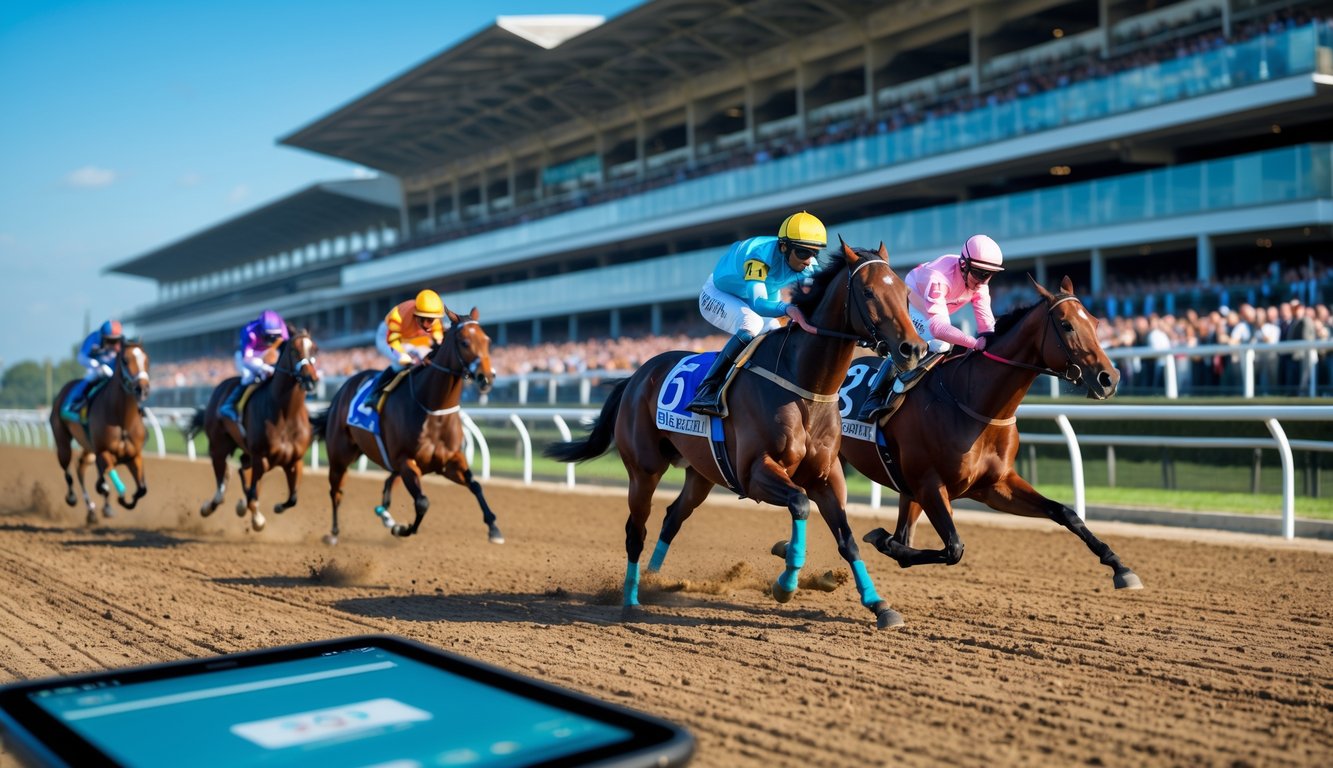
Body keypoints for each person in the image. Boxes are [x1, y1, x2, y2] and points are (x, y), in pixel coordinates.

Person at [686, 211, 824, 417]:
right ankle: (709, 388)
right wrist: (788, 308)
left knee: (776, 332)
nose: (809, 260)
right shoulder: (759, 255)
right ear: (784, 247)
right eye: (803, 253)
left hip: (757, 292)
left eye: (815, 253)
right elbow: (758, 304)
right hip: (718, 293)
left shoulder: (809, 263)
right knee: (752, 323)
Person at [857, 234, 1004, 421]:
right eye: (979, 273)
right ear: (964, 265)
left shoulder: (980, 285)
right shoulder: (938, 278)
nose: (982, 281)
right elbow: (938, 328)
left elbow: (987, 326)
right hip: (913, 302)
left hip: (933, 309)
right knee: (941, 344)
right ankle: (875, 396)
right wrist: (973, 343)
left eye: (989, 274)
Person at [363, 289, 447, 408]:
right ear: (416, 313)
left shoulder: (435, 318)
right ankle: (374, 394)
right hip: (389, 337)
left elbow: (439, 339)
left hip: (411, 339)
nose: (427, 324)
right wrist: (408, 357)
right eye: (423, 319)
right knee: (402, 361)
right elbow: (393, 343)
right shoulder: (399, 315)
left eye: (430, 320)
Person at [219, 310, 289, 422]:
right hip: (249, 357)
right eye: (268, 336)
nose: (272, 339)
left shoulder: (283, 330)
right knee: (248, 378)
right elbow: (247, 359)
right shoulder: (250, 332)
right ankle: (228, 405)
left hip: (268, 354)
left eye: (275, 336)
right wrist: (265, 368)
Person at [61, 320, 124, 421]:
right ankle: (72, 404)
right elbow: (81, 357)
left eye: (116, 340)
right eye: (110, 341)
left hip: (113, 369)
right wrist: (97, 365)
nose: (114, 344)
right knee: (90, 378)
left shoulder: (121, 343)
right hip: (95, 368)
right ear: (103, 337)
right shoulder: (93, 339)